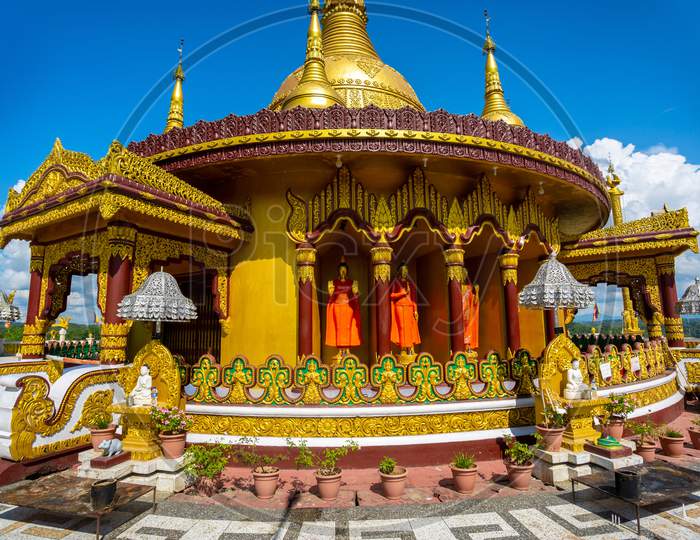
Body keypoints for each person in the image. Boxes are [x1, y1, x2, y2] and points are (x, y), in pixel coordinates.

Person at [325, 259, 361, 356]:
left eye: (344, 270)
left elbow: (355, 298)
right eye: (341, 270)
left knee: (347, 327)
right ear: (339, 271)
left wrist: (355, 292)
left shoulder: (352, 282)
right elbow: (331, 298)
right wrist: (330, 293)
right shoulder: (333, 283)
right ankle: (340, 351)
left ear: (347, 271)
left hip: (348, 307)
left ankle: (348, 350)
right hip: (337, 306)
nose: (343, 272)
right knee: (339, 327)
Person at [390, 263, 420, 353]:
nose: (404, 272)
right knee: (402, 327)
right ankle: (403, 348)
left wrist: (415, 310)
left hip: (409, 307)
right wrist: (402, 293)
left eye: (406, 271)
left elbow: (413, 298)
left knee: (410, 327)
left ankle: (410, 348)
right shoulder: (396, 282)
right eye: (402, 271)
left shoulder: (410, 283)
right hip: (399, 307)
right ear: (400, 272)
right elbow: (391, 295)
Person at [462, 271, 480, 350]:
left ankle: (467, 346)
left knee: (468, 329)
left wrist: (477, 292)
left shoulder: (469, 288)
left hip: (467, 313)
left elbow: (475, 302)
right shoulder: (455, 286)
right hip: (458, 313)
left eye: (464, 275)